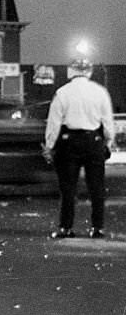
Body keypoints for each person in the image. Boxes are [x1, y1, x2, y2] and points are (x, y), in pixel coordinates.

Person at [43, 58, 115, 239]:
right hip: (94, 140)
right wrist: (107, 142)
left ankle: (66, 227)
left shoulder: (62, 93)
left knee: (68, 188)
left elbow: (54, 124)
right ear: (89, 71)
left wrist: (50, 146)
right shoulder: (100, 92)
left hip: (69, 142)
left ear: (70, 71)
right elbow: (108, 122)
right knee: (96, 187)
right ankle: (97, 227)